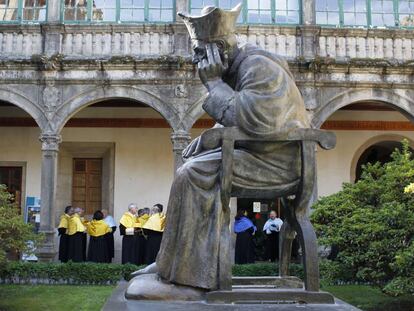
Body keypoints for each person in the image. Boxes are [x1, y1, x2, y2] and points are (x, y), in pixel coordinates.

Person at [152, 4, 309, 290]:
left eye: (202, 54)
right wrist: (209, 138)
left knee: (193, 175)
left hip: (278, 164)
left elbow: (257, 121)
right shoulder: (240, 67)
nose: (197, 63)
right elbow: (245, 117)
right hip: (261, 154)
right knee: (188, 168)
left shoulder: (259, 66)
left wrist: (213, 82)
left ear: (220, 48)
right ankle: (172, 262)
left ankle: (191, 275)